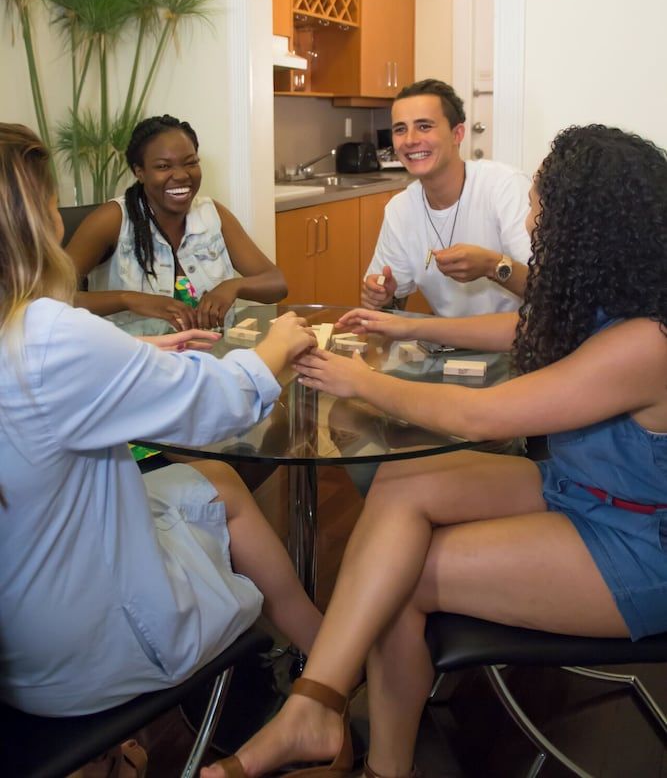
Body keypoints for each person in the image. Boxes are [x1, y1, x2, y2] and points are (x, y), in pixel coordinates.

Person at [202, 124, 667, 778]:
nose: (531, 215)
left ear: (589, 219)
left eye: (543, 203)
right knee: (402, 481)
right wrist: (404, 322)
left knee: (403, 575)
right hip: (580, 489)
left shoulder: (647, 342)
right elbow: (517, 325)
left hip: (638, 541)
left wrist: (359, 379)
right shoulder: (614, 300)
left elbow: (478, 417)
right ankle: (316, 709)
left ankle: (372, 760)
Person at [0, 122, 323, 719]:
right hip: (82, 650)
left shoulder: (21, 330)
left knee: (220, 483)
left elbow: (41, 384)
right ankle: (325, 678)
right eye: (50, 203)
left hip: (20, 636)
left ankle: (326, 665)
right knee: (219, 490)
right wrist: (279, 344)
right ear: (31, 222)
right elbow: (218, 402)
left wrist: (147, 353)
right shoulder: (55, 331)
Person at [66, 114, 287, 336]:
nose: (181, 175)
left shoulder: (213, 215)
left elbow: (276, 283)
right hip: (136, 363)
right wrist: (128, 299)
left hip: (212, 357)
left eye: (191, 163)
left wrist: (232, 287)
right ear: (139, 172)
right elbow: (48, 295)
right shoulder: (112, 220)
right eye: (163, 166)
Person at [362, 78, 531, 316]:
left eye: (424, 126)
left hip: (521, 342)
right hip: (449, 344)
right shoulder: (399, 210)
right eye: (400, 129)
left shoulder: (505, 187)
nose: (410, 140)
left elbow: (551, 290)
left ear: (457, 134)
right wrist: (383, 297)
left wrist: (491, 266)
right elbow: (388, 308)